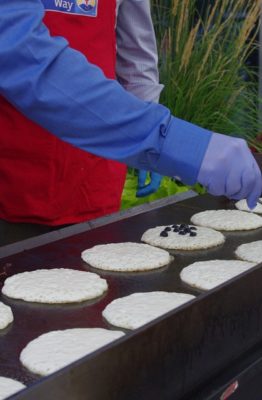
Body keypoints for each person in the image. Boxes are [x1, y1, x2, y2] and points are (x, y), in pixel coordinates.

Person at [0, 0, 261, 244]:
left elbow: (137, 56)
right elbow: (17, 51)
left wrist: (152, 126)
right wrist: (168, 140)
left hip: (98, 165)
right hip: (15, 167)